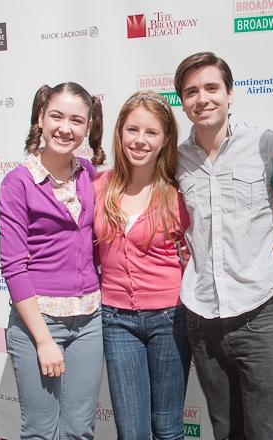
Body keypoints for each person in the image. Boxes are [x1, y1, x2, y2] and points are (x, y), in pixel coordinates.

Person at [174, 52, 273, 440]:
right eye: (191, 92)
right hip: (201, 317)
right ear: (182, 101)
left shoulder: (266, 144)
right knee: (225, 431)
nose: (202, 98)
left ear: (230, 93)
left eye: (211, 88)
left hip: (258, 312)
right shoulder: (176, 160)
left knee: (268, 431)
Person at [0, 82, 105, 439]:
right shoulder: (18, 182)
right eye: (57, 116)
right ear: (41, 117)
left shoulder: (90, 175)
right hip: (37, 324)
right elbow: (13, 267)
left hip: (89, 321)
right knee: (41, 432)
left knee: (79, 430)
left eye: (77, 120)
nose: (65, 128)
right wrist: (44, 340)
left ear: (88, 127)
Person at [93, 91, 191, 440]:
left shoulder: (180, 191)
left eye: (151, 132)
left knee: (167, 428)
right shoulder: (99, 186)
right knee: (131, 433)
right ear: (119, 132)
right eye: (132, 129)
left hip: (170, 318)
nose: (140, 140)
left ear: (166, 139)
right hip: (115, 320)